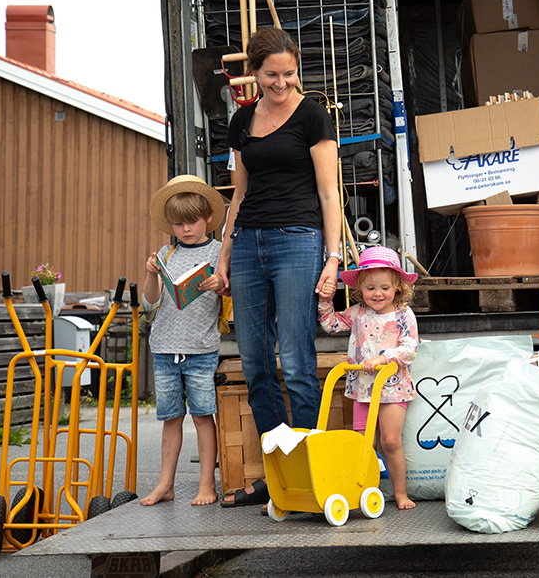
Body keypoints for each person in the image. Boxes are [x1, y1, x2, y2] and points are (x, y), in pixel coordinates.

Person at [217, 28, 341, 507]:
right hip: (248, 243)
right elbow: (239, 195)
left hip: (298, 241)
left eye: (290, 74)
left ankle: (310, 466)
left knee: (294, 359)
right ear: (254, 72)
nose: (282, 83)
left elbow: (330, 193)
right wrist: (225, 254)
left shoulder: (312, 115)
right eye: (272, 74)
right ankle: (280, 472)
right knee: (254, 362)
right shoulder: (241, 121)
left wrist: (333, 259)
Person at [140, 175, 227, 506]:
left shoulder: (219, 252)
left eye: (191, 222)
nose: (186, 229)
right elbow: (150, 300)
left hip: (201, 348)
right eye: (178, 224)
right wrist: (151, 273)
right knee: (170, 418)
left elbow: (229, 292)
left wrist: (220, 283)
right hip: (163, 348)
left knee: (204, 416)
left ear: (207, 218)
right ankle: (166, 484)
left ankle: (207, 484)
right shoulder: (166, 252)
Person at [317, 246, 419, 510]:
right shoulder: (358, 313)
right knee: (362, 444)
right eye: (370, 288)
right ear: (360, 288)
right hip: (362, 389)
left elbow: (409, 349)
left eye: (385, 287)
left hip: (392, 389)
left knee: (390, 441)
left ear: (397, 286)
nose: (377, 294)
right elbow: (331, 325)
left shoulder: (403, 315)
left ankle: (400, 493)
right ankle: (363, 492)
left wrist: (383, 359)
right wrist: (325, 302)